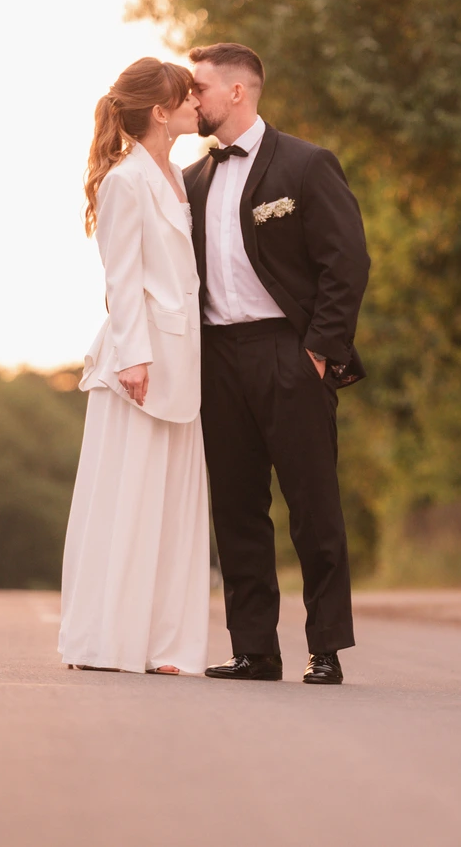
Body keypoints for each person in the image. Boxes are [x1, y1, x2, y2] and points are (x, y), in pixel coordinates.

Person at [184, 42, 371, 685]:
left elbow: (345, 265)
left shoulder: (307, 165)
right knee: (236, 508)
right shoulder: (192, 180)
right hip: (219, 360)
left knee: (312, 506)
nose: (192, 97)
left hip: (289, 354)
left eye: (200, 86)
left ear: (238, 91)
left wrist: (319, 352)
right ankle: (255, 649)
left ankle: (326, 649)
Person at [59, 57, 210, 676]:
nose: (198, 105)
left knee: (173, 507)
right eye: (187, 98)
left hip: (185, 362)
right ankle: (105, 641)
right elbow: (121, 279)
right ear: (159, 111)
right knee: (126, 501)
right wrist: (135, 359)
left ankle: (164, 647)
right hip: (138, 367)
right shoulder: (126, 181)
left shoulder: (174, 173)